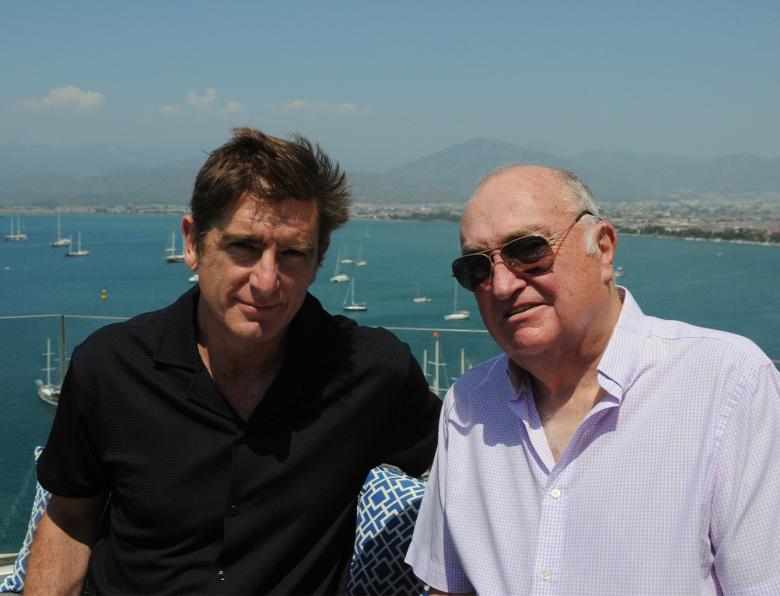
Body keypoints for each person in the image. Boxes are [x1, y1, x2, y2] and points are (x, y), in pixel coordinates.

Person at [27, 128, 442, 595]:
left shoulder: (370, 372)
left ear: (319, 258)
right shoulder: (110, 369)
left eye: (293, 254)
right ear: (192, 242)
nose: (266, 281)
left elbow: (468, 467)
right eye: (243, 247)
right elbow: (70, 517)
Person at [406, 165, 780, 595]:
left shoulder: (728, 385)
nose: (503, 285)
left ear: (602, 248)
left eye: (528, 250)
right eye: (477, 269)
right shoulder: (469, 404)